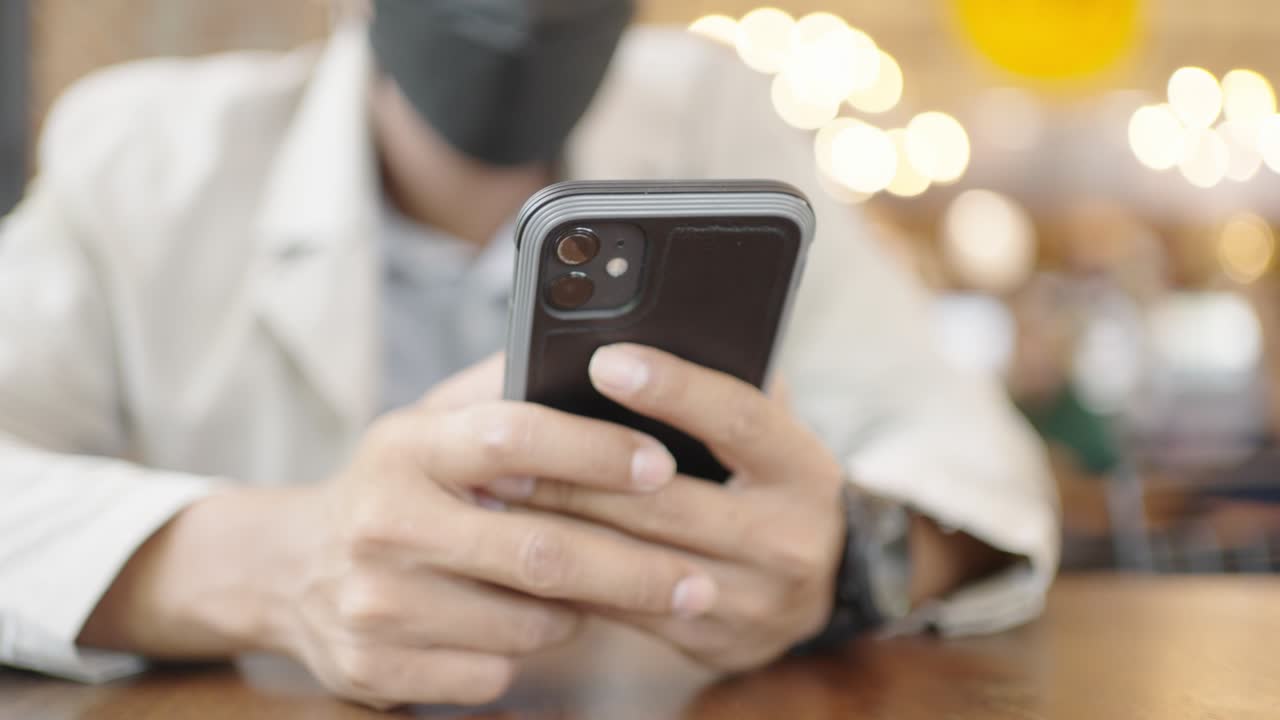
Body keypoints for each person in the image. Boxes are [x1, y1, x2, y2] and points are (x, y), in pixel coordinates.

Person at [0, 0, 1059, 708]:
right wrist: (279, 564)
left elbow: (971, 458)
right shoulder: (142, 156)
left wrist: (842, 565)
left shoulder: (717, 116)